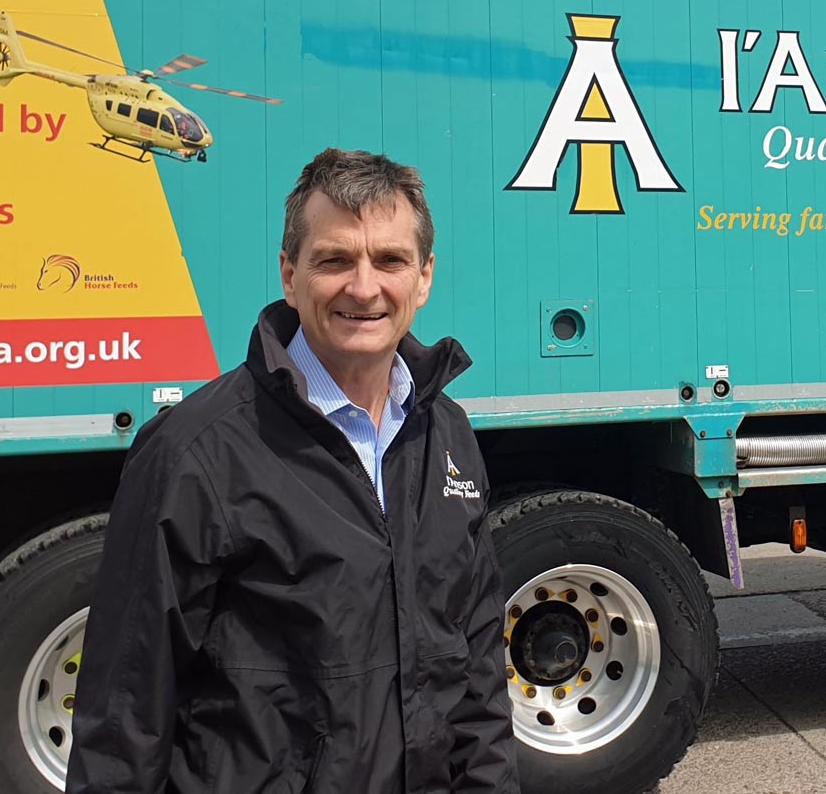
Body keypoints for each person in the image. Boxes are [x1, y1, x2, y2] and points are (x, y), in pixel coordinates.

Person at [67, 148, 518, 794]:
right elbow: (124, 707)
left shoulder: (444, 433)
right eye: (334, 259)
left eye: (389, 259)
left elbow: (475, 669)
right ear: (289, 273)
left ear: (423, 277)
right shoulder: (195, 451)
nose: (364, 287)